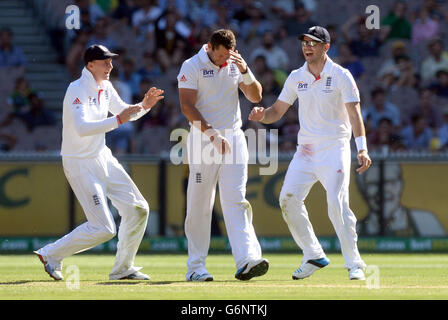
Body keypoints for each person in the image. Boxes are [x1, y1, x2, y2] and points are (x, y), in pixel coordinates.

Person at [249, 26, 371, 281]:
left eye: (313, 43)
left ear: (326, 47)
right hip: (305, 150)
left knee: (337, 204)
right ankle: (313, 254)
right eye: (304, 42)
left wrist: (362, 148)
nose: (307, 46)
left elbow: (354, 114)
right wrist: (263, 116)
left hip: (334, 147)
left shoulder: (341, 75)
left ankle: (354, 264)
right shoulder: (295, 76)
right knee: (288, 199)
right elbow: (276, 112)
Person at [34, 45, 164, 281]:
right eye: (105, 62)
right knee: (104, 228)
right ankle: (50, 254)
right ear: (90, 65)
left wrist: (144, 106)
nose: (110, 66)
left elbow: (124, 112)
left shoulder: (106, 87)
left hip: (102, 156)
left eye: (111, 62)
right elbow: (83, 128)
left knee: (138, 209)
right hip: (80, 163)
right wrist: (118, 119)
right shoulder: (76, 89)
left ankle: (123, 268)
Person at [177, 29, 269, 282]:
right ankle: (196, 267)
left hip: (235, 137)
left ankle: (247, 260)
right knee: (199, 204)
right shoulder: (191, 65)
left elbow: (255, 96)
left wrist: (245, 71)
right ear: (209, 47)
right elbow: (186, 105)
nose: (223, 62)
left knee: (236, 199)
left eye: (228, 56)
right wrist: (211, 133)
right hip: (203, 139)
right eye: (219, 56)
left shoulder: (234, 63)